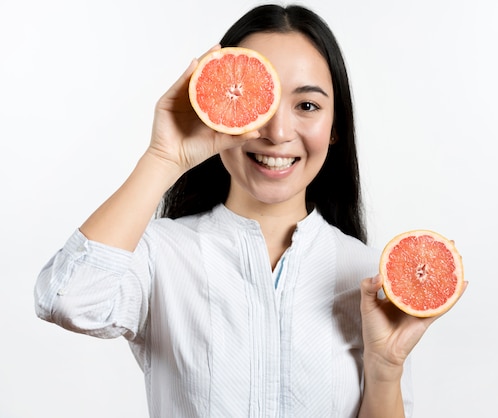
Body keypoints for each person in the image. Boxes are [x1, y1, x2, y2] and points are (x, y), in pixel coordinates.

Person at [35, 4, 465, 417]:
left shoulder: (367, 274)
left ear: (335, 128)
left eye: (307, 105)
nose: (277, 133)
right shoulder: (160, 256)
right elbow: (68, 301)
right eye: (260, 101)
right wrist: (164, 156)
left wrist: (385, 367)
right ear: (218, 109)